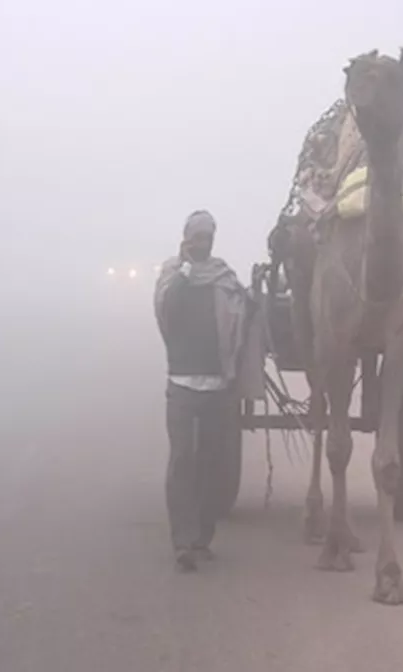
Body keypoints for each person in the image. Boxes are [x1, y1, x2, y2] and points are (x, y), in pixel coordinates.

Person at [153, 210, 251, 573]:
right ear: (186, 238)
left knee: (212, 463)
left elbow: (241, 314)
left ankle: (202, 538)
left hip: (217, 386)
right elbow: (168, 311)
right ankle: (182, 541)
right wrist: (186, 268)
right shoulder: (172, 277)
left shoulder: (224, 278)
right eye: (197, 236)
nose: (202, 242)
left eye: (208, 236)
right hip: (181, 385)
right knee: (182, 461)